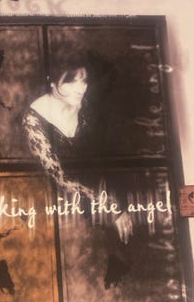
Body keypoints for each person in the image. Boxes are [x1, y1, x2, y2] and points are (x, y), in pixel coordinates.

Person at [22, 57, 134, 287]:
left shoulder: (88, 105)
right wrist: (112, 207)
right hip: (60, 203)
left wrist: (117, 202)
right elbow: (60, 179)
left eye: (83, 81)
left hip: (101, 194)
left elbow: (109, 155)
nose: (80, 88)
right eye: (71, 81)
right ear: (52, 82)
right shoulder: (33, 120)